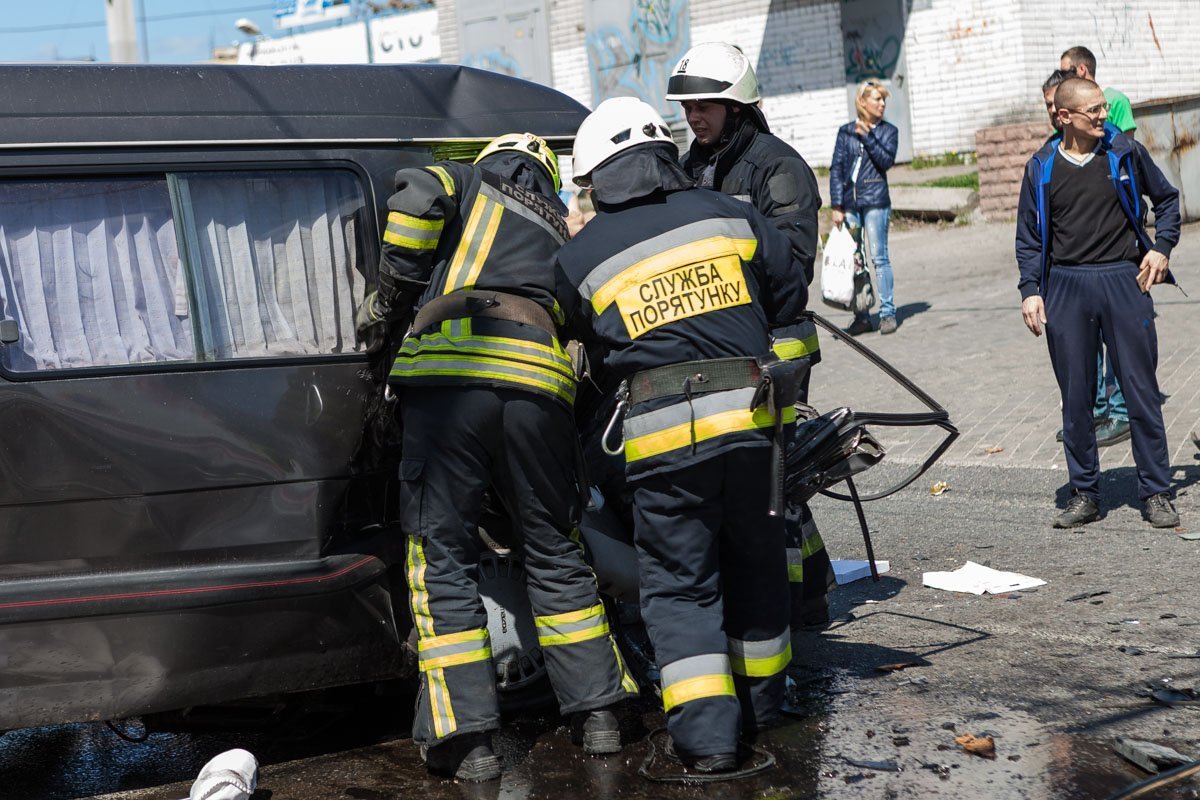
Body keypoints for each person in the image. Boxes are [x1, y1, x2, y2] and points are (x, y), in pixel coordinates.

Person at [356, 133, 638, 782]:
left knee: (442, 555)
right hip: (540, 390)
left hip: (451, 376)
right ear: (546, 177)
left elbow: (416, 197)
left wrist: (393, 293)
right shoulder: (563, 233)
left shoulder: (466, 180)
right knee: (556, 548)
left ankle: (468, 741)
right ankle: (600, 715)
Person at [556, 97, 808, 773]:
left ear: (598, 180)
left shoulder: (581, 256)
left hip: (664, 445)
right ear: (663, 157)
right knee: (757, 562)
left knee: (680, 586)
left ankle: (709, 742)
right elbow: (789, 290)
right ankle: (765, 707)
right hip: (755, 428)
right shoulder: (731, 214)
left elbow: (588, 350)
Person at [666, 40, 836, 633]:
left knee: (770, 480)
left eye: (706, 106)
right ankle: (802, 587)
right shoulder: (689, 168)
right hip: (722, 349)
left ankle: (799, 603)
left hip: (777, 345)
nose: (694, 117)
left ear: (737, 105)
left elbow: (792, 265)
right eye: (688, 108)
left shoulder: (777, 166)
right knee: (765, 483)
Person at [1016, 78, 1181, 529]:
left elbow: (1167, 201)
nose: (1102, 116)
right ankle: (1085, 493)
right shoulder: (1042, 166)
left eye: (1104, 107)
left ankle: (1157, 491)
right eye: (1092, 111)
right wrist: (1031, 290)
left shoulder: (1124, 152)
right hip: (1066, 286)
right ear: (1064, 116)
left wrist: (1161, 247)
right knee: (1076, 397)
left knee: (1140, 390)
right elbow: (1029, 238)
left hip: (1124, 280)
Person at [1059, 46, 1137, 448]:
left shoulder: (1115, 110)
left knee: (1121, 350)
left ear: (1082, 69)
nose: (1102, 116)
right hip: (1077, 277)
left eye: (1065, 73)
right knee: (1088, 352)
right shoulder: (1045, 161)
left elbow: (1131, 162)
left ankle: (1121, 412)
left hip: (1118, 265)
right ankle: (1096, 413)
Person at [829, 79, 900, 336]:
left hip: (876, 202)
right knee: (856, 260)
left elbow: (886, 161)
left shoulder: (888, 131)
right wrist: (836, 205)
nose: (882, 104)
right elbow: (836, 169)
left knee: (879, 257)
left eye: (883, 99)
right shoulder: (845, 131)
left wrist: (868, 136)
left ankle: (888, 313)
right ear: (863, 102)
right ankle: (861, 315)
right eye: (877, 99)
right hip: (850, 204)